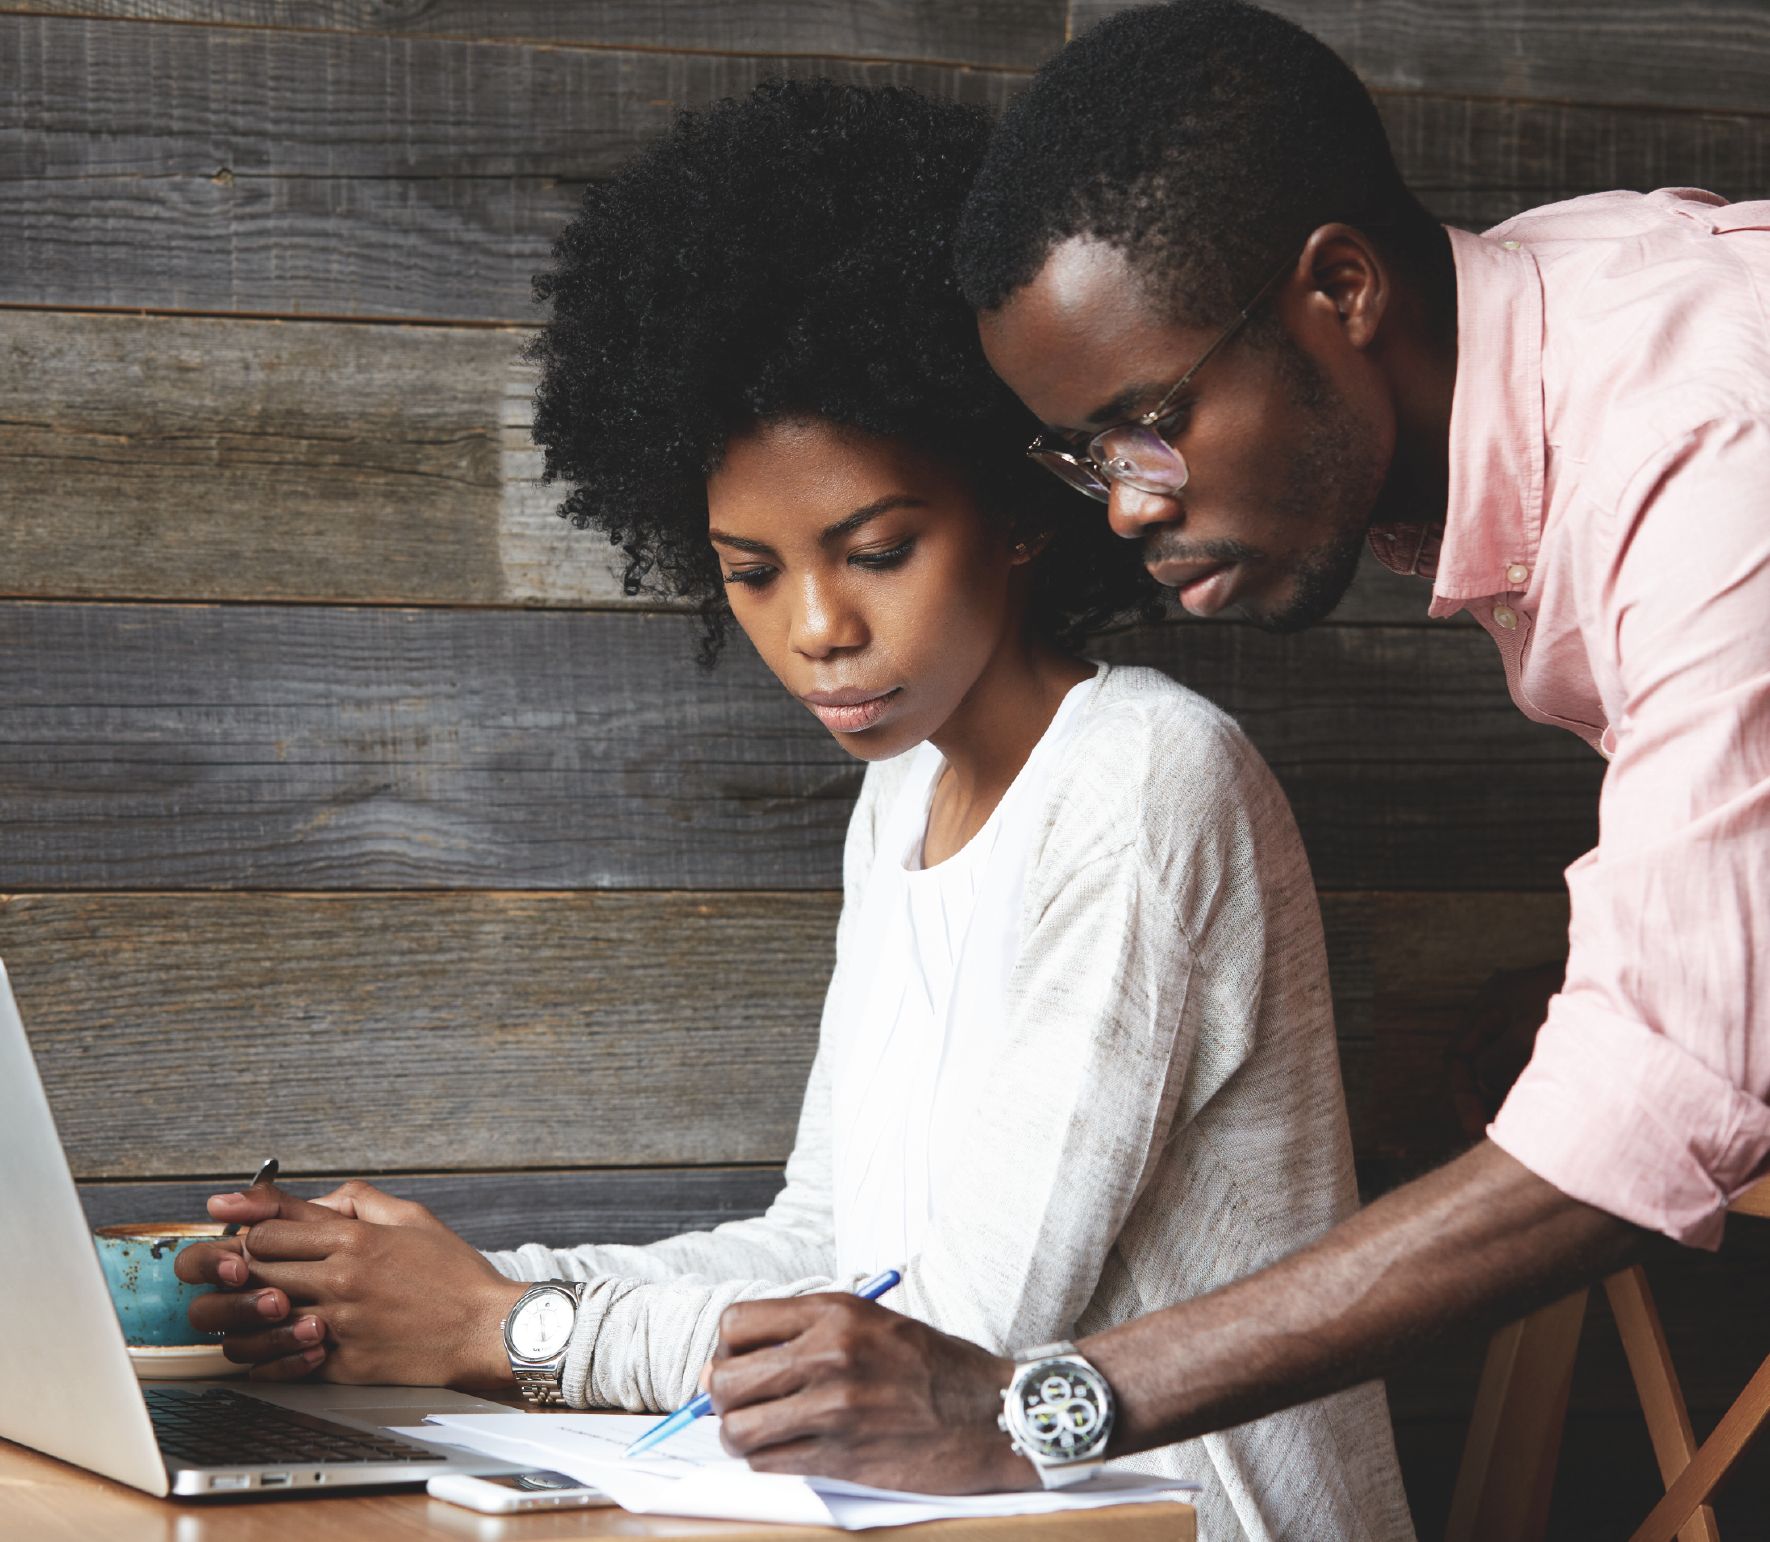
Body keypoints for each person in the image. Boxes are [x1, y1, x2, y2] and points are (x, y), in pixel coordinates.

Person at [173, 77, 1414, 1538]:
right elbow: (830, 1247)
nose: (815, 625)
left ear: (1024, 513)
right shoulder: (900, 797)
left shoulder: (1147, 778)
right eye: (750, 572)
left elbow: (942, 1343)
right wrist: (402, 1286)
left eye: (875, 549)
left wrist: (505, 1327)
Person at [700, 0, 1770, 1499]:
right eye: (1085, 456)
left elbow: (1653, 1103)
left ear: (1340, 288)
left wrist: (1039, 1403)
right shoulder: (1542, 340)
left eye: (1149, 422)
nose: (1126, 507)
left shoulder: (1706, 445)